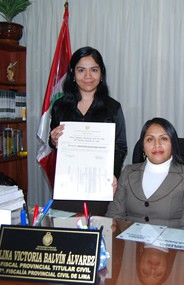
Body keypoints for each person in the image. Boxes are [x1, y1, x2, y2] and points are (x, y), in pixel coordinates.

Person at [49, 46, 127, 215]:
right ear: (73, 73)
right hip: (68, 185)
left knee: (99, 234)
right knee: (65, 234)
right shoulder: (59, 106)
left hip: (99, 186)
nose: (88, 76)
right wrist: (54, 141)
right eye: (81, 70)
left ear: (101, 73)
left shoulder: (113, 107)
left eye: (94, 70)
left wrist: (112, 174)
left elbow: (120, 147)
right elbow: (54, 142)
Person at [106, 117, 184, 228]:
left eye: (164, 139)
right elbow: (113, 216)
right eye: (150, 139)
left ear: (173, 144)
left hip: (171, 244)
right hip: (130, 243)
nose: (157, 144)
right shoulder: (128, 172)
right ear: (143, 146)